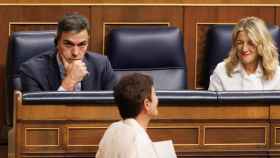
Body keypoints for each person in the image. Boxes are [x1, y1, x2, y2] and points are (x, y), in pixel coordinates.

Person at [20, 13, 116, 92]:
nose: (75, 53)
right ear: (57, 43)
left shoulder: (102, 65)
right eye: (68, 44)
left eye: (82, 44)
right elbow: (37, 113)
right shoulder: (32, 70)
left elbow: (114, 107)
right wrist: (70, 81)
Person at [96, 73, 159, 158]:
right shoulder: (139, 141)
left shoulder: (112, 129)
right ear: (147, 104)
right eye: (155, 94)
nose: (157, 99)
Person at [208, 16, 280, 91]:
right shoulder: (221, 71)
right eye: (240, 43)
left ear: (262, 45)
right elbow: (211, 102)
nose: (244, 49)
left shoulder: (277, 74)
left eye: (251, 43)